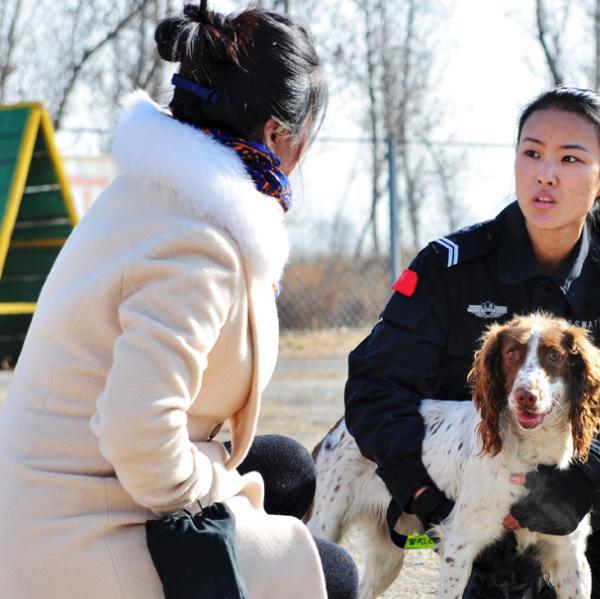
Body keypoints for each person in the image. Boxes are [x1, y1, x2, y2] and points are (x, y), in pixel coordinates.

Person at [0, 2, 357, 598]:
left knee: (286, 468)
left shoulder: (146, 191)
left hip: (49, 491)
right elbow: (137, 432)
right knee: (332, 573)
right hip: (77, 536)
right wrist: (216, 493)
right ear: (276, 134)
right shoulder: (200, 246)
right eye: (305, 136)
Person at [344, 87, 600, 598]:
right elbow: (376, 387)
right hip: (462, 492)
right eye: (532, 153)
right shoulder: (448, 268)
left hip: (568, 491)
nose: (545, 174)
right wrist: (424, 493)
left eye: (570, 159)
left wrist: (568, 496)